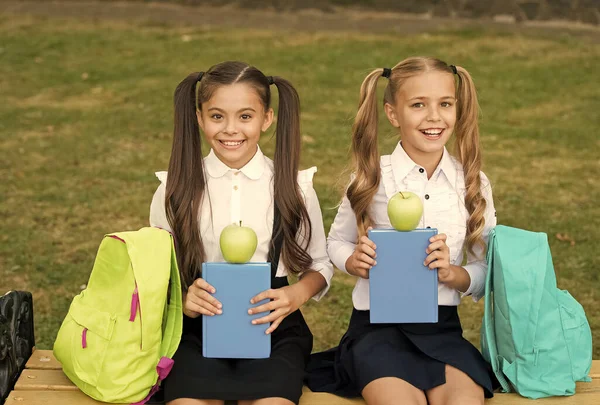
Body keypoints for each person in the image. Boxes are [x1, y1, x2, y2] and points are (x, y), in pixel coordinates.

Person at [306, 57, 497, 405]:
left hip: (442, 331)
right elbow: (337, 242)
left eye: (445, 104)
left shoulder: (471, 184)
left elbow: (487, 269)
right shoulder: (371, 178)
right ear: (393, 114)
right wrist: (354, 261)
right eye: (418, 105)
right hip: (376, 332)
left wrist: (453, 274)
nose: (434, 117)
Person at [150, 61, 334, 405]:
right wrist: (182, 300)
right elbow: (158, 273)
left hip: (273, 329)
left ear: (267, 118)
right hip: (198, 328)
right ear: (199, 117)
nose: (230, 129)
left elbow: (320, 265)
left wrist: (297, 295)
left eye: (245, 117)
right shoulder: (173, 190)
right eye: (217, 116)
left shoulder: (294, 187)